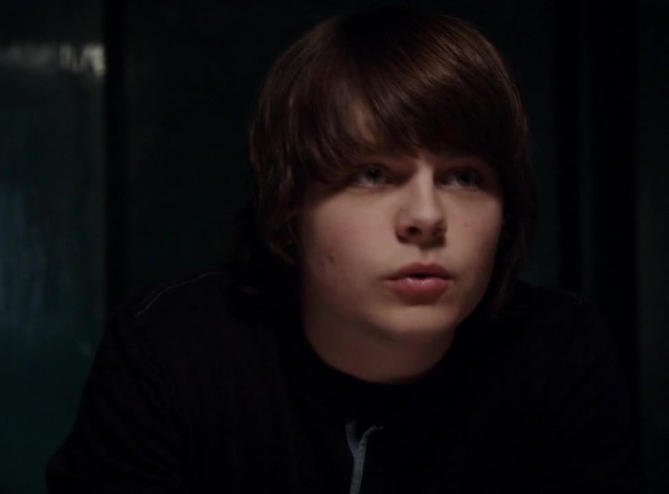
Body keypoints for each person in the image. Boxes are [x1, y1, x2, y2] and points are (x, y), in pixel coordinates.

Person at [46, 6, 636, 493]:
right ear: (289, 210)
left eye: (464, 177)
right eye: (372, 175)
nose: (427, 217)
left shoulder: (557, 356)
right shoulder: (175, 354)